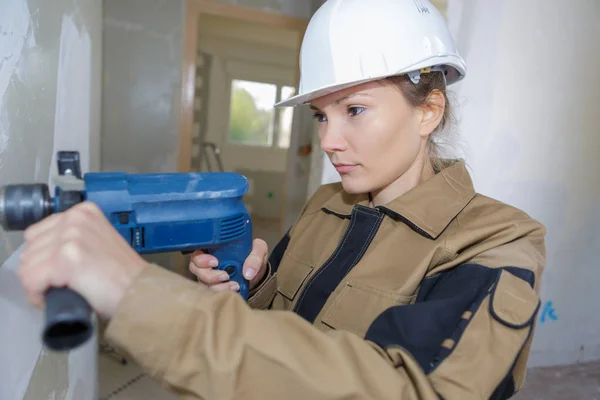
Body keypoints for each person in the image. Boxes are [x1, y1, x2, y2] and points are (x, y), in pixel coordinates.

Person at [17, 0, 546, 399]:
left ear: (428, 111)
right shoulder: (327, 203)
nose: (329, 140)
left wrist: (134, 292)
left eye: (354, 110)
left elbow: (411, 387)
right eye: (321, 115)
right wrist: (254, 288)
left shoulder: (496, 242)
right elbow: (290, 330)